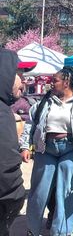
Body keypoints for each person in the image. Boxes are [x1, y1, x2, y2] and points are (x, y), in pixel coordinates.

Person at [20, 67, 73, 236]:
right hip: (45, 148)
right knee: (39, 192)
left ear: (66, 82)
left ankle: (61, 232)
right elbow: (30, 124)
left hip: (71, 149)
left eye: (55, 80)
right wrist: (25, 145)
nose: (51, 83)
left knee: (67, 192)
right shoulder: (44, 101)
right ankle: (32, 229)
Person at [0, 49, 27, 236]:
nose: (23, 82)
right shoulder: (2, 113)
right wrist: (16, 196)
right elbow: (5, 165)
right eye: (18, 75)